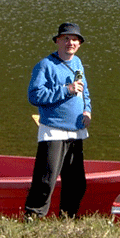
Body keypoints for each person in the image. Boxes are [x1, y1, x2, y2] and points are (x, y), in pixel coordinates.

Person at [25, 22, 92, 218]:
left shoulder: (78, 63)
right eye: (66, 39)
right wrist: (66, 90)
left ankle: (67, 219)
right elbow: (34, 96)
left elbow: (84, 90)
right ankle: (33, 218)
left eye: (74, 39)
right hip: (53, 131)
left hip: (76, 130)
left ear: (79, 44)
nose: (70, 42)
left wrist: (87, 111)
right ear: (57, 41)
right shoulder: (45, 65)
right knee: (45, 181)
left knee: (77, 183)